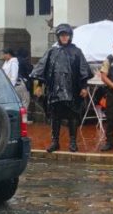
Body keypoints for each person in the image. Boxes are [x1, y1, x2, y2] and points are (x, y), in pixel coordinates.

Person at [31, 23, 92, 153]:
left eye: (66, 35)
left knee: (72, 117)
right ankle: (55, 141)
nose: (64, 37)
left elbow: (83, 71)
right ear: (58, 37)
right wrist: (38, 86)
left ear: (70, 36)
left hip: (72, 91)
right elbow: (41, 69)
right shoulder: (51, 52)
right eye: (62, 35)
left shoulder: (77, 51)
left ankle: (73, 142)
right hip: (54, 90)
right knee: (55, 117)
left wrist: (84, 87)